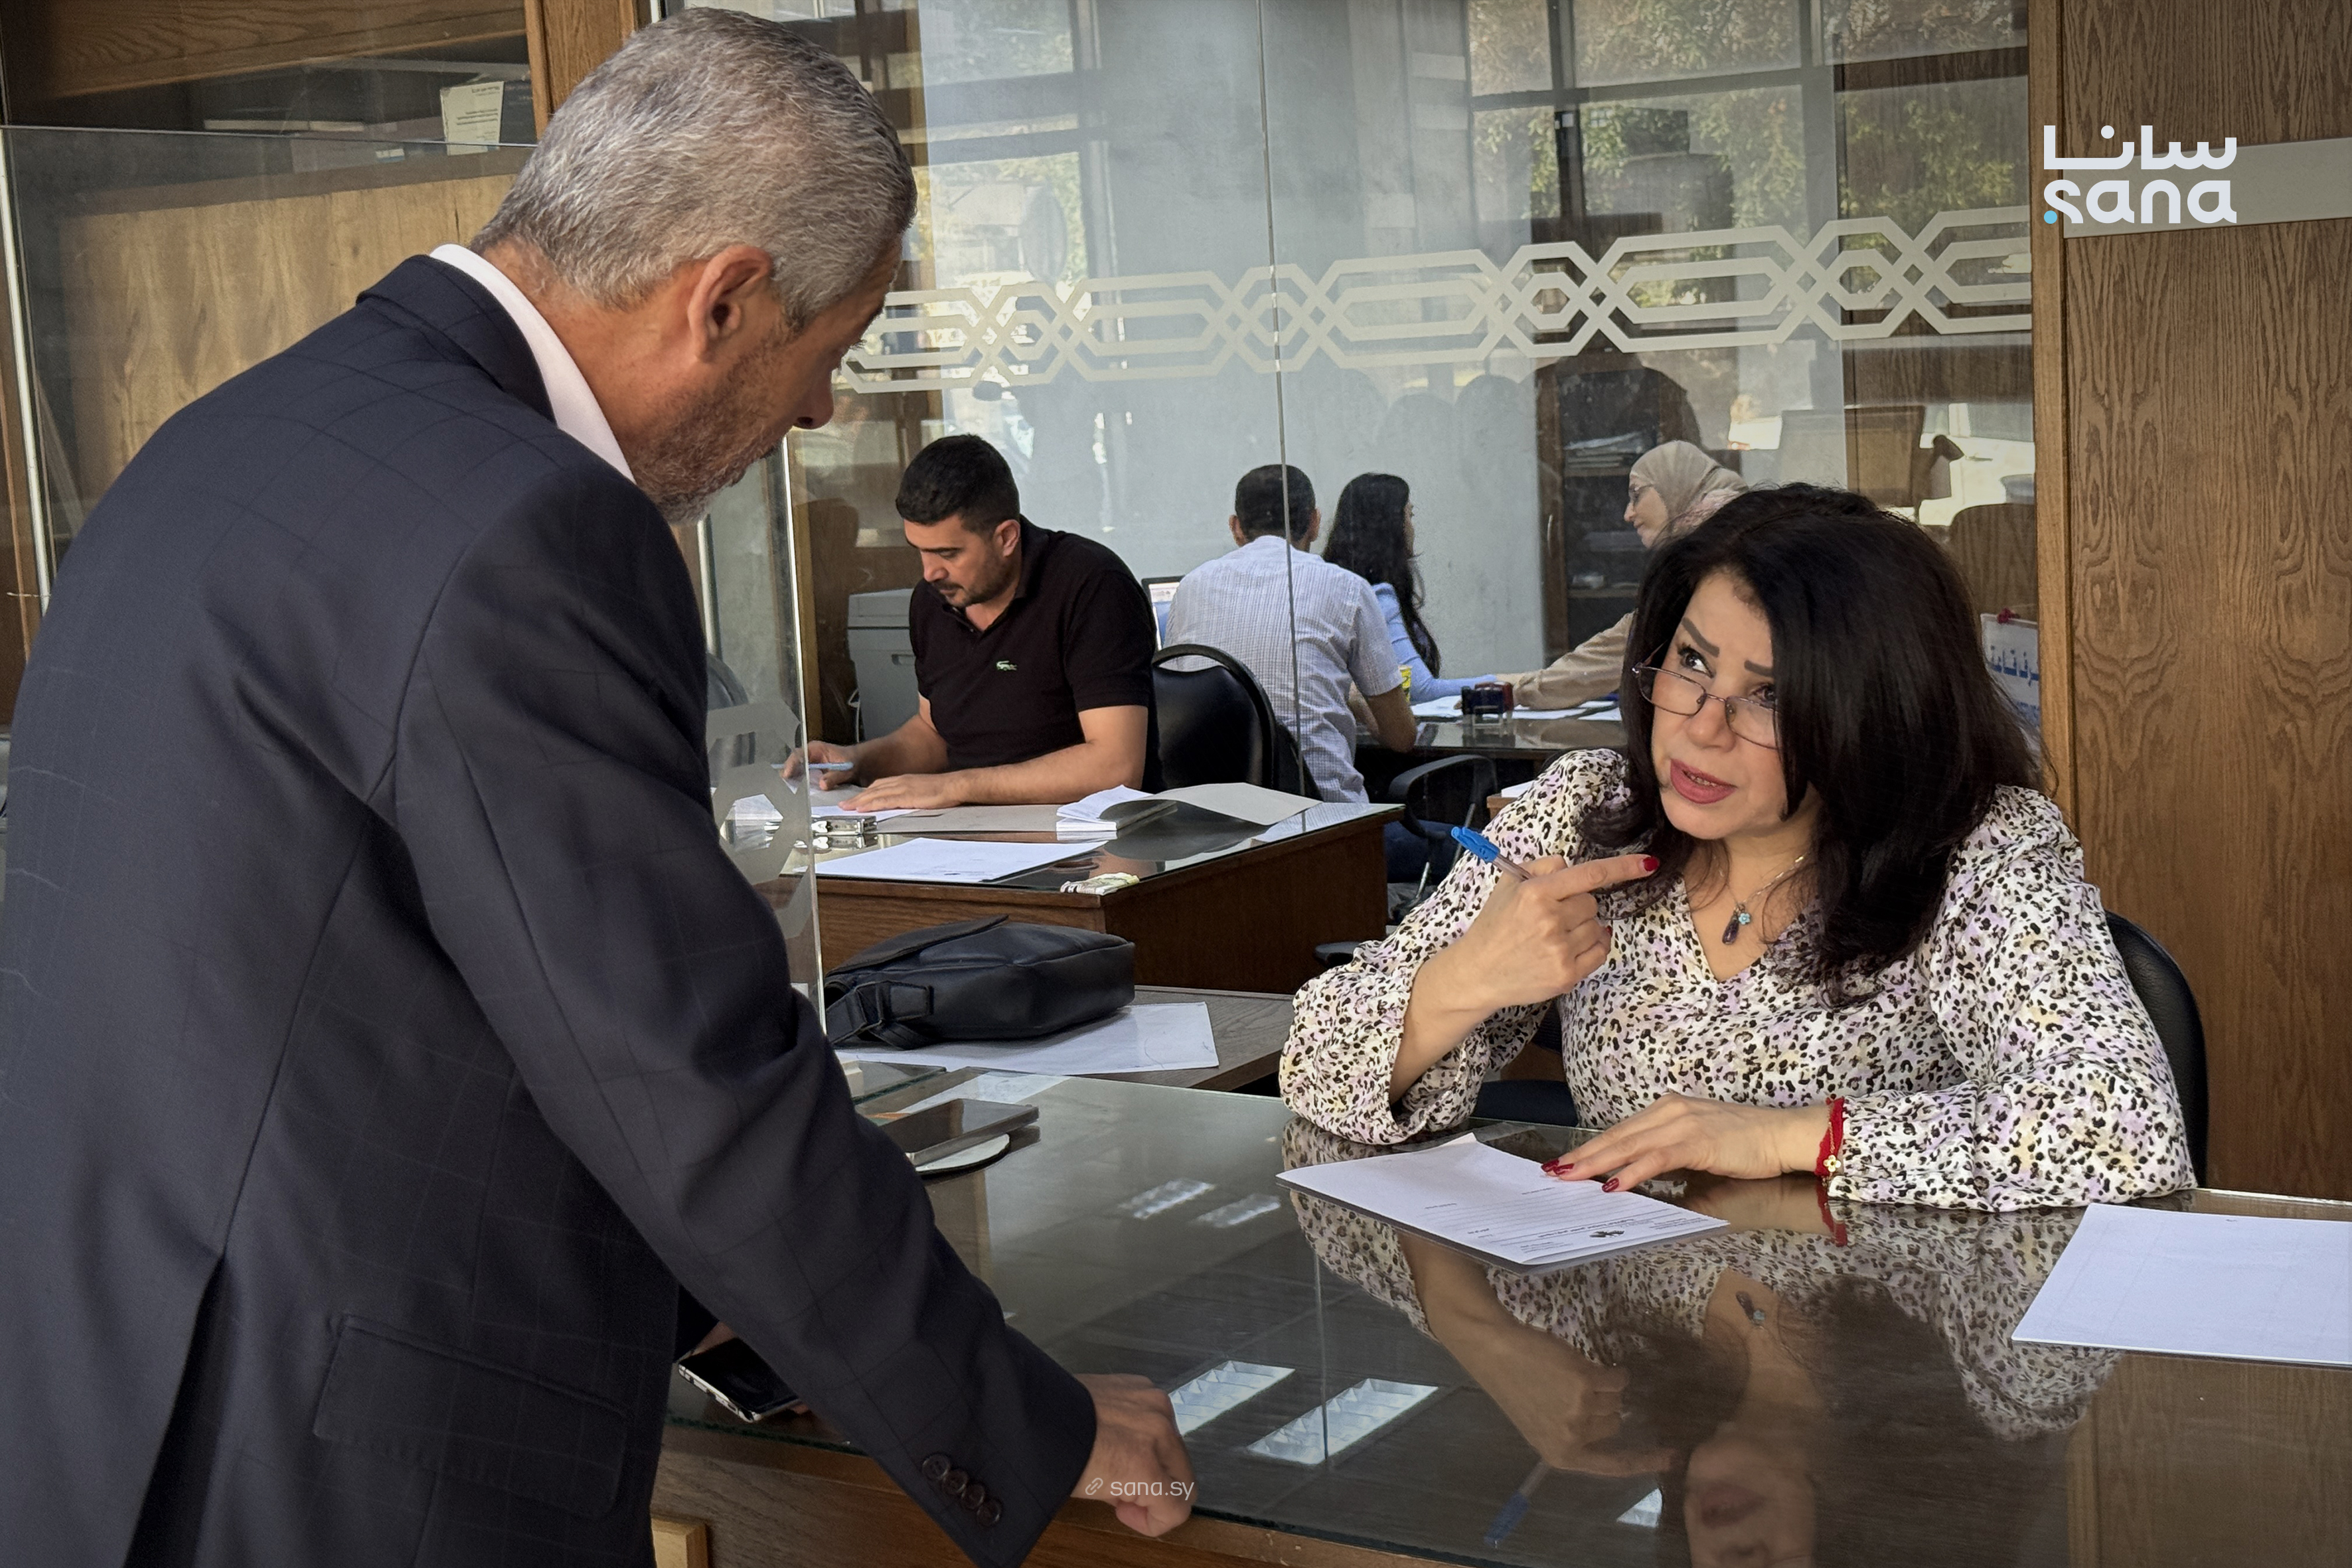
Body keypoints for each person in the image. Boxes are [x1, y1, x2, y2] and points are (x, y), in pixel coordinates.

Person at [0, 14, 1190, 1567]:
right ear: (723, 298)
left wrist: (726, 1298)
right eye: (829, 356)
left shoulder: (220, 441)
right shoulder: (530, 523)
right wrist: (1016, 1412)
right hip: (357, 1458)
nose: (817, 415)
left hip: (108, 1398)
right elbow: (682, 1067)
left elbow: (377, 983)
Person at [1282, 484, 2195, 1211]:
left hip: (1881, 1347)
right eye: (1690, 663)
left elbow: (2125, 1126)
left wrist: (1780, 1135)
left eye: (1770, 695)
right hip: (1631, 1338)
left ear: (1874, 715)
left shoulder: (1975, 845)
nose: (1700, 727)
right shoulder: (1583, 810)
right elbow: (1313, 1068)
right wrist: (1468, 976)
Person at [1285, 1118, 2115, 1568]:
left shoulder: (1604, 1345)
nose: (1726, 1558)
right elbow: (2106, 1154)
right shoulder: (2001, 1376)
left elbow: (1361, 1194)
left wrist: (1477, 1332)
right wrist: (1791, 1136)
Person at [797, 433, 1158, 810]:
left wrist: (954, 787)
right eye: (920, 551)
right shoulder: (932, 599)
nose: (930, 572)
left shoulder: (1093, 586)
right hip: (967, 832)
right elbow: (935, 734)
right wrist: (854, 761)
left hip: (1086, 832)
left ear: (1006, 537)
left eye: (948, 553)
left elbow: (1116, 767)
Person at [1164, 464, 1416, 802]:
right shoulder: (1348, 589)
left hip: (1215, 817)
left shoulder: (1190, 588)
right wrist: (1355, 702)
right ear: (1315, 522)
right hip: (1326, 819)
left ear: (1236, 528)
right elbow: (1402, 737)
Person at [1496, 439, 1746, 710]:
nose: (1628, 514)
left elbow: (1627, 645)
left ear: (1674, 487)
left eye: (1636, 495)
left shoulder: (1718, 556)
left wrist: (1521, 688)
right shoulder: (1731, 540)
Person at [1321, 472, 1497, 705]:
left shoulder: (1337, 587)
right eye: (1409, 515)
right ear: (1392, 526)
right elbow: (1420, 689)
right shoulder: (1378, 598)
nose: (1412, 527)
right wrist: (1509, 683)